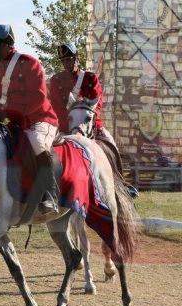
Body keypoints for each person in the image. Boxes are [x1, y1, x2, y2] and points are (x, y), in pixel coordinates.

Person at [0, 23, 59, 215]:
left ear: (4, 43)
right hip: (14, 123)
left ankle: (50, 195)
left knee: (36, 143)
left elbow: (37, 98)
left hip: (40, 120)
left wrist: (7, 113)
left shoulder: (30, 62)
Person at [49, 42, 138, 198]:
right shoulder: (56, 80)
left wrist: (83, 111)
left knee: (112, 146)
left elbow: (98, 103)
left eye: (69, 59)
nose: (67, 63)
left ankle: (121, 185)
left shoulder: (90, 78)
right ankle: (49, 189)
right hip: (64, 128)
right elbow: (55, 106)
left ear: (77, 58)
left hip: (90, 126)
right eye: (64, 61)